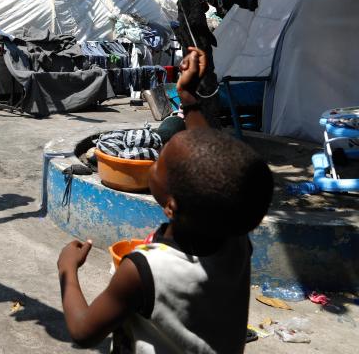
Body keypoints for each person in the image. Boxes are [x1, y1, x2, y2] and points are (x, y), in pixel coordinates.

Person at [56, 47, 274, 353]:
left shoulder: (143, 270)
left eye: (160, 162)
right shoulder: (234, 239)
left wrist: (68, 269)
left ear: (171, 205)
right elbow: (210, 159)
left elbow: (82, 332)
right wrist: (188, 96)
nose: (156, 160)